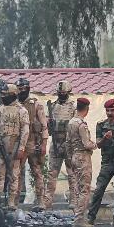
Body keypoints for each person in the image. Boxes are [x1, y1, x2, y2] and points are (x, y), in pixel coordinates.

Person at [85, 99, 114, 227]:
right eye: (107, 110)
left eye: (112, 110)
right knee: (99, 189)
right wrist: (105, 138)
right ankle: (91, 217)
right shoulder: (101, 125)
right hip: (107, 163)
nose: (110, 113)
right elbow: (98, 145)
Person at [0, 84, 30, 209]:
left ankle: (11, 202)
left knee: (14, 176)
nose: (3, 97)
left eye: (5, 95)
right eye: (2, 94)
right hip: (0, 147)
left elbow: (25, 131)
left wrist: (21, 148)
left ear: (13, 95)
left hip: (14, 147)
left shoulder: (21, 110)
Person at [44, 81, 77, 212]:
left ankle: (74, 199)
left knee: (72, 173)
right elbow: (47, 124)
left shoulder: (73, 106)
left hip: (69, 143)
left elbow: (75, 124)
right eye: (60, 93)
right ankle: (48, 200)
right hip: (56, 142)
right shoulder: (52, 106)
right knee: (52, 173)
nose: (61, 95)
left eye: (64, 93)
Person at [17, 78, 49, 209]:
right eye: (20, 89)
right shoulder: (14, 105)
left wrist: (44, 145)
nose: (22, 91)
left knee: (37, 172)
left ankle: (41, 201)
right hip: (20, 144)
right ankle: (14, 201)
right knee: (16, 173)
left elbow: (44, 126)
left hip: (33, 142)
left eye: (24, 89)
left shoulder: (36, 104)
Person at [67, 98, 97, 227]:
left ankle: (77, 216)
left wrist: (70, 157)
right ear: (87, 109)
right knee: (84, 189)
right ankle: (79, 218)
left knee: (77, 187)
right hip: (83, 157)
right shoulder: (81, 124)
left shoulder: (71, 122)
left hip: (74, 156)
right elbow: (87, 144)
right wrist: (97, 144)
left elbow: (67, 142)